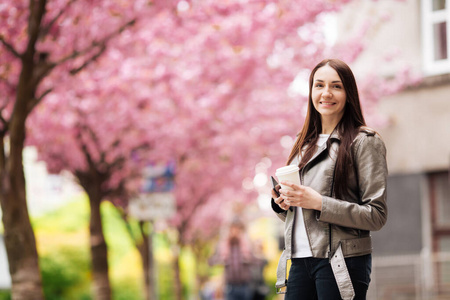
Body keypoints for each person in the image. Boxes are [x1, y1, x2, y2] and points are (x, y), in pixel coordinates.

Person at [271, 58, 388, 300]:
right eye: (319, 85)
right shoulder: (302, 144)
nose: (326, 93)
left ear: (349, 93)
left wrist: (320, 203)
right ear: (311, 91)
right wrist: (283, 202)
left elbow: (376, 215)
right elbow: (303, 212)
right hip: (300, 260)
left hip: (341, 261)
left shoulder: (364, 141)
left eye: (336, 86)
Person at [209, 219, 254, 300]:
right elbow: (212, 261)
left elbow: (254, 259)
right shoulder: (224, 246)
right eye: (233, 229)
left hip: (245, 285)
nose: (235, 231)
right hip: (230, 286)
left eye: (237, 229)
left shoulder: (246, 245)